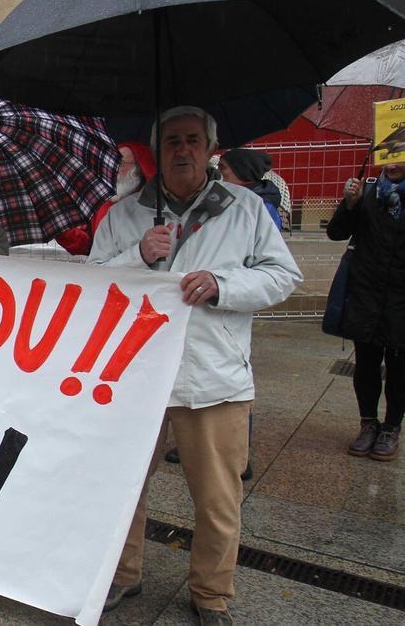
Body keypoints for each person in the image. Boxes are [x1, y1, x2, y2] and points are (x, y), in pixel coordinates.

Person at [89, 107, 302, 624]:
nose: (182, 151)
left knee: (217, 499)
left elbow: (282, 275)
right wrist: (136, 255)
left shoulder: (246, 209)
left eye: (191, 141)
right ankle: (121, 574)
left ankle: (210, 593)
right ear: (156, 152)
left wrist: (223, 285)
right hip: (135, 374)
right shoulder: (124, 214)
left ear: (210, 149)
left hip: (212, 377)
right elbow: (92, 284)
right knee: (121, 488)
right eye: (171, 142)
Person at [326, 162, 405, 461]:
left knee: (399, 368)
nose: (394, 164)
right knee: (367, 365)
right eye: (390, 157)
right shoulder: (368, 193)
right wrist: (349, 204)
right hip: (366, 294)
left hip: (400, 298)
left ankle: (392, 427)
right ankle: (368, 424)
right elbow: (335, 232)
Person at [218, 149, 283, 230]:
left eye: (222, 168)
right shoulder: (229, 196)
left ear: (241, 170)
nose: (218, 172)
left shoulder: (263, 207)